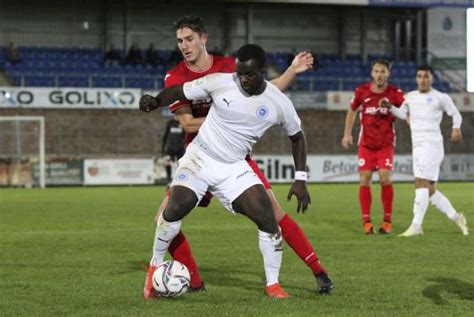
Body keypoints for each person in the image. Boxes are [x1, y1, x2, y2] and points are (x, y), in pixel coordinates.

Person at [141, 15, 333, 299]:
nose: (184, 45)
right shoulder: (195, 78)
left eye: (189, 39)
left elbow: (270, 93)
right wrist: (157, 101)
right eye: (179, 41)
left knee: (272, 216)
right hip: (199, 154)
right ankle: (175, 278)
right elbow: (188, 123)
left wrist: (292, 70)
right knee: (167, 215)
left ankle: (309, 273)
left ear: (203, 38)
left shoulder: (232, 66)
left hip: (236, 161)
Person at [381, 65, 469, 237]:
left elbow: (456, 114)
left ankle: (416, 225)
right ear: (416, 78)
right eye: (419, 76)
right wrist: (390, 106)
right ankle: (456, 217)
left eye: (426, 76)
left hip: (432, 145)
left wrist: (456, 128)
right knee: (428, 189)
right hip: (418, 146)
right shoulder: (410, 97)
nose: (422, 79)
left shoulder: (440, 97)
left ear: (431, 79)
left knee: (420, 182)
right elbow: (402, 114)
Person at [341, 59, 405, 234]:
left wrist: (395, 109)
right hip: (366, 144)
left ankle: (387, 221)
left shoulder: (394, 93)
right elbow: (352, 110)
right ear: (372, 73)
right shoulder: (361, 91)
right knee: (365, 178)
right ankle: (367, 222)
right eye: (376, 71)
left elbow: (406, 109)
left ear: (388, 74)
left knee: (385, 177)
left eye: (383, 71)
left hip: (385, 143)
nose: (379, 75)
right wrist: (347, 133)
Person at [161, 116, 185, 184]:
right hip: (170, 148)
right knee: (167, 163)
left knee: (181, 165)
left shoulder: (183, 124)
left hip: (180, 149)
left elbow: (185, 136)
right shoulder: (170, 123)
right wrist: (163, 150)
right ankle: (169, 180)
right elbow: (165, 136)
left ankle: (181, 180)